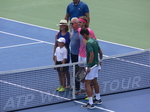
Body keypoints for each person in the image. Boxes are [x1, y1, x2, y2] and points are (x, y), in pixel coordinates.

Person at [80, 28, 103, 109]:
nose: (83, 37)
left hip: (92, 66)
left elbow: (92, 54)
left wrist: (89, 66)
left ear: (85, 34)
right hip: (96, 65)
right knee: (95, 81)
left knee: (87, 83)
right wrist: (100, 61)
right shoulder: (95, 41)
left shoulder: (89, 43)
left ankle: (90, 103)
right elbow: (100, 52)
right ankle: (98, 99)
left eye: (82, 36)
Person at [76, 16, 96, 95]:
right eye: (78, 22)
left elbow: (94, 42)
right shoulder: (79, 30)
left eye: (80, 22)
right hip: (80, 54)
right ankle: (83, 89)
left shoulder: (90, 31)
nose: (79, 24)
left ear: (84, 23)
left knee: (88, 73)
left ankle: (91, 91)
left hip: (87, 56)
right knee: (81, 71)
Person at [53, 19, 71, 89]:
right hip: (58, 54)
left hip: (65, 55)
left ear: (65, 26)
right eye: (60, 25)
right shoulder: (58, 34)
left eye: (62, 25)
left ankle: (68, 83)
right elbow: (55, 45)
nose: (61, 27)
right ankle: (62, 84)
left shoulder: (69, 35)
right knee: (59, 71)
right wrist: (54, 55)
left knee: (66, 70)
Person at [70, 17, 80, 90]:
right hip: (72, 54)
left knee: (79, 71)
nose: (71, 25)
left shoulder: (80, 32)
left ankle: (79, 86)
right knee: (74, 71)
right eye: (70, 23)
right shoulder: (73, 31)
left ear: (77, 24)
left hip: (78, 55)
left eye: (72, 23)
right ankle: (76, 85)